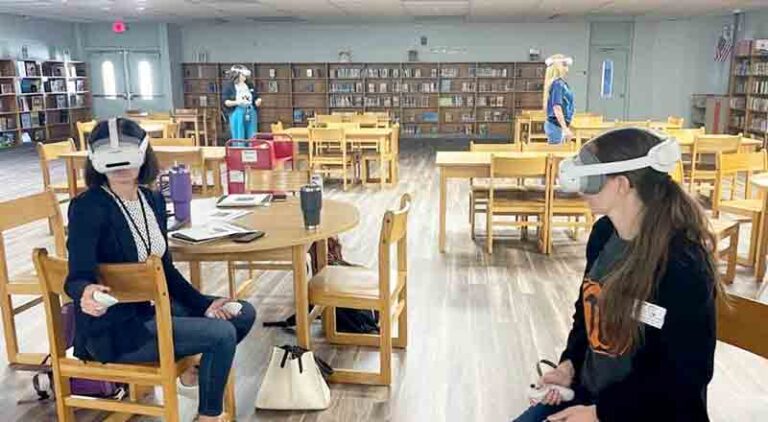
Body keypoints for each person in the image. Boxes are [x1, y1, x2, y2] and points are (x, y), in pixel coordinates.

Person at [513, 128, 719, 421]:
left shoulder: (683, 265)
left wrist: (600, 414)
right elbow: (587, 315)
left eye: (592, 179)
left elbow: (684, 377)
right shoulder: (604, 234)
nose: (582, 190)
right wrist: (569, 365)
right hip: (592, 397)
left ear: (622, 184)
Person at [65, 118, 256, 422]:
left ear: (143, 157)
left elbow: (164, 270)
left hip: (158, 307)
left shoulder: (151, 199)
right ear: (96, 162)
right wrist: (85, 292)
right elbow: (77, 276)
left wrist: (204, 304)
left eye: (127, 159)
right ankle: (209, 415)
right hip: (120, 328)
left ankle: (194, 372)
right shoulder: (88, 207)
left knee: (241, 312)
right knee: (221, 334)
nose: (121, 168)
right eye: (112, 162)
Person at [222, 64, 262, 139]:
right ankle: (240, 148)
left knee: (252, 134)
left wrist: (257, 101)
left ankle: (251, 148)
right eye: (243, 75)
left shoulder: (249, 85)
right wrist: (237, 102)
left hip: (250, 111)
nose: (245, 77)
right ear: (237, 74)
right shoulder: (229, 86)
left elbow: (255, 96)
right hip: (237, 112)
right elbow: (225, 102)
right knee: (239, 133)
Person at [543, 54, 575, 145]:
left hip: (558, 126)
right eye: (564, 64)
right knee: (555, 155)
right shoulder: (558, 84)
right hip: (556, 126)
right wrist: (565, 128)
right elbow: (557, 107)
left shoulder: (562, 84)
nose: (567, 67)